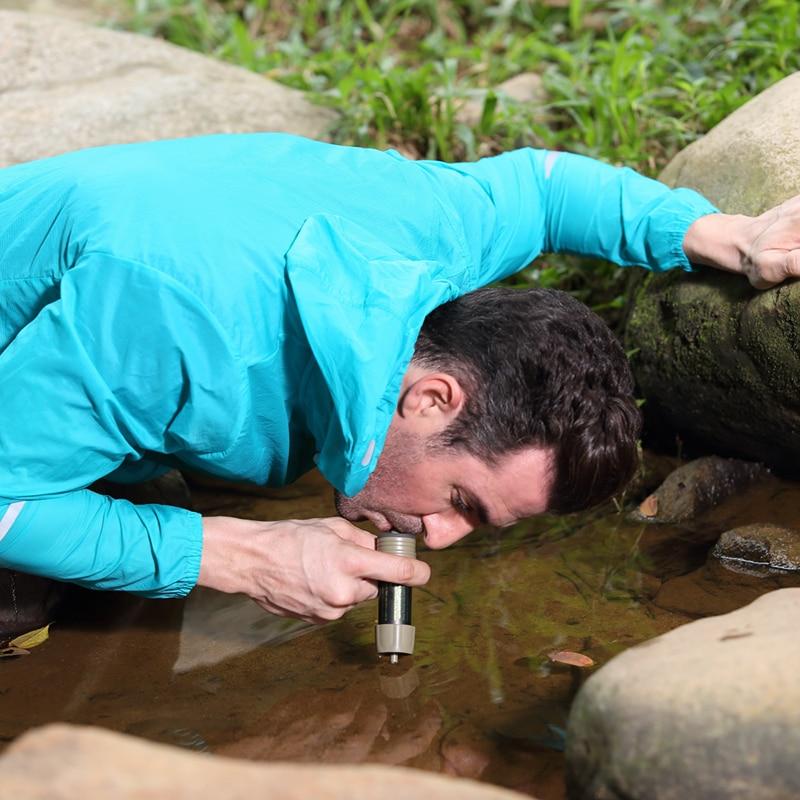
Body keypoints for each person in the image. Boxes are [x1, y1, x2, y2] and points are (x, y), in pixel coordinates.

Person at [0, 133, 798, 628]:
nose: (441, 538)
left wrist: (719, 233)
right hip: (141, 310)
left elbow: (545, 187)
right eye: (463, 503)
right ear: (431, 397)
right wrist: (232, 552)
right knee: (31, 601)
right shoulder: (185, 332)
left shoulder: (431, 231)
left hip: (121, 328)